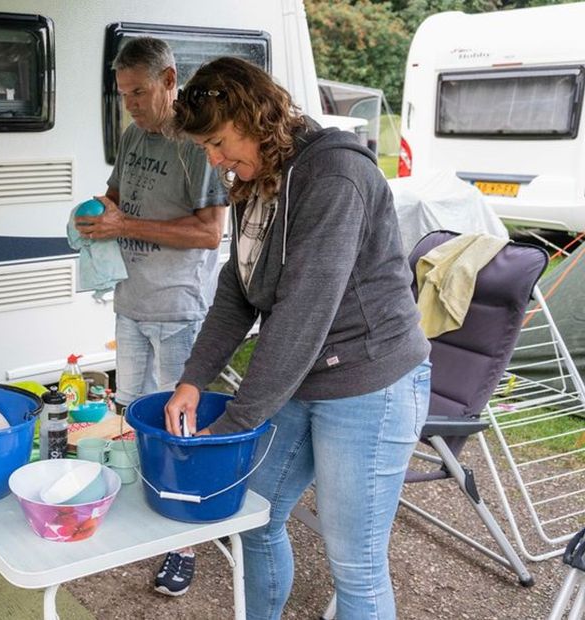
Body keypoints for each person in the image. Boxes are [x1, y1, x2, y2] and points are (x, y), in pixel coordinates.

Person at [165, 56, 432, 619]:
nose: (214, 161)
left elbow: (304, 314)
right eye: (206, 149)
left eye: (217, 142)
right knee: (255, 518)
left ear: (252, 115)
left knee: (355, 566)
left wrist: (234, 423)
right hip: (302, 373)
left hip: (369, 382)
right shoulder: (253, 177)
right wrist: (194, 378)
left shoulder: (333, 175)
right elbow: (238, 290)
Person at [74, 37, 227, 597]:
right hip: (131, 303)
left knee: (174, 422)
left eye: (139, 92)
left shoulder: (196, 145)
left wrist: (125, 228)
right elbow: (117, 198)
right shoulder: (134, 134)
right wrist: (94, 216)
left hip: (178, 308)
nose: (131, 104)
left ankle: (183, 543)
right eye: (123, 95)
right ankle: (145, 518)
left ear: (169, 81)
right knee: (131, 416)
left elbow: (211, 232)